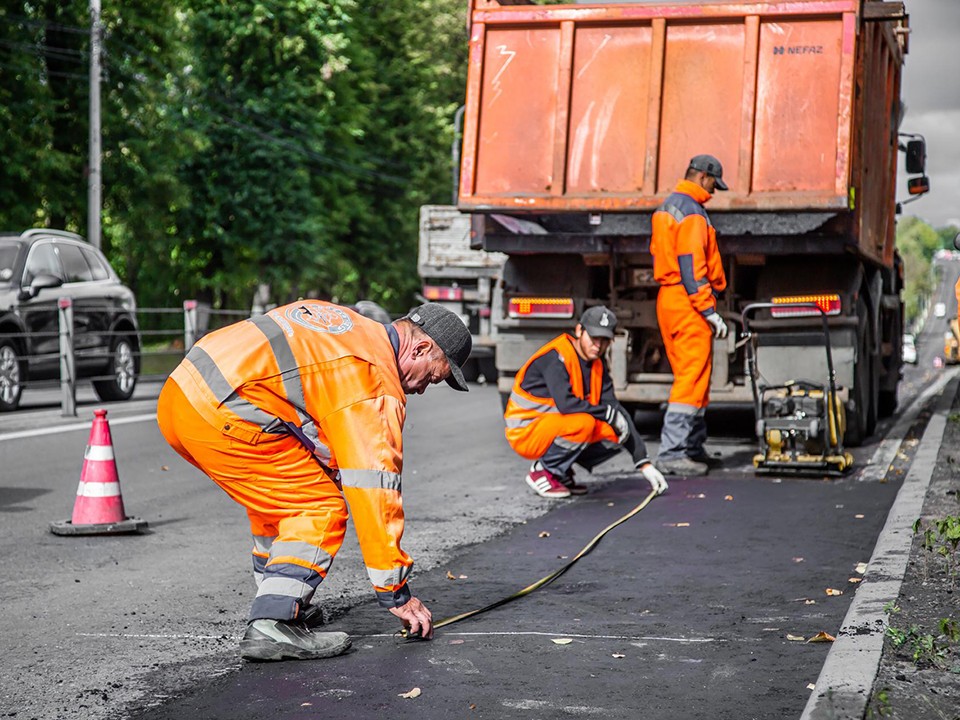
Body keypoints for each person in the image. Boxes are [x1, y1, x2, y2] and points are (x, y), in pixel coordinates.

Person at [156, 301, 472, 661]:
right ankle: (272, 623)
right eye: (432, 376)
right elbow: (376, 491)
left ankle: (280, 599)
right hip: (225, 411)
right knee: (319, 508)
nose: (422, 390)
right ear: (420, 348)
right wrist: (396, 592)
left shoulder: (352, 329)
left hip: (182, 394)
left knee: (280, 502)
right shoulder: (375, 378)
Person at [503, 306, 668, 499]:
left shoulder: (597, 364)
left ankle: (561, 472)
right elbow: (567, 405)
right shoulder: (557, 357)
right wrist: (607, 414)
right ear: (579, 331)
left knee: (617, 430)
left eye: (604, 340)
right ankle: (544, 470)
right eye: (594, 338)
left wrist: (643, 462)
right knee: (585, 423)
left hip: (553, 425)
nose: (598, 345)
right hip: (526, 431)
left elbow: (615, 409)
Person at [650, 153, 729, 476]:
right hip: (688, 302)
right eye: (713, 184)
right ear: (702, 177)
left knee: (691, 375)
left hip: (669, 300)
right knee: (691, 378)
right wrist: (709, 310)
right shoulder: (693, 213)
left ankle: (692, 448)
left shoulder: (668, 206)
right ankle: (672, 453)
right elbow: (692, 266)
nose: (713, 191)